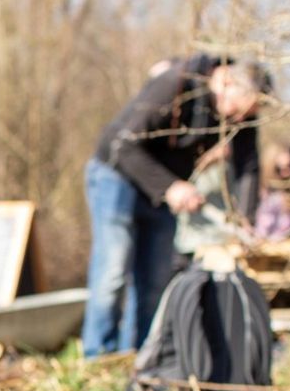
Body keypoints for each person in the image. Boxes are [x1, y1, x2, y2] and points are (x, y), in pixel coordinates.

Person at [81, 54, 270, 357]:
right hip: (116, 176)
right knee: (113, 271)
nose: (237, 120)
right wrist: (169, 186)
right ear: (226, 82)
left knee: (156, 279)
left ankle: (143, 357)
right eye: (239, 109)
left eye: (246, 116)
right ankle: (98, 355)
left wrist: (244, 216)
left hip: (164, 188)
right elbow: (123, 144)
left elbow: (248, 165)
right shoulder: (176, 84)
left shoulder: (242, 114)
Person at [254, 142, 290, 241]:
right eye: (280, 168)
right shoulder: (265, 192)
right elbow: (262, 229)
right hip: (272, 244)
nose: (287, 172)